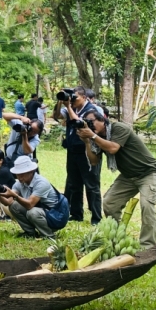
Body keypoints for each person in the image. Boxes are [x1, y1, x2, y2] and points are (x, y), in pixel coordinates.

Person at [78, 110, 156, 247]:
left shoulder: (118, 128)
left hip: (149, 172)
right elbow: (94, 161)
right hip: (128, 176)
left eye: (91, 121)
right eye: (87, 123)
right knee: (109, 203)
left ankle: (148, 245)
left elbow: (113, 148)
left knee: (147, 205)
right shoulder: (97, 137)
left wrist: (92, 136)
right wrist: (87, 142)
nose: (90, 125)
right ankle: (118, 238)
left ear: (103, 119)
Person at [53, 86, 101, 225]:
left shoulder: (92, 110)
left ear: (84, 97)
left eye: (76, 98)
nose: (72, 100)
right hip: (72, 150)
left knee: (91, 185)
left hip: (87, 151)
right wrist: (61, 100)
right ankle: (76, 213)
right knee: (74, 184)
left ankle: (96, 218)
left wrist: (68, 107)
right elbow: (56, 116)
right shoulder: (71, 108)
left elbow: (80, 123)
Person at [0, 156, 69, 239]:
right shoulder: (19, 184)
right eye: (17, 174)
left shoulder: (41, 183)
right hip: (43, 213)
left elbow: (29, 205)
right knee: (14, 206)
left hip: (56, 217)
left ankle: (48, 235)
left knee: (32, 212)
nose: (19, 177)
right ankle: (30, 233)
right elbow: (8, 202)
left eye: (22, 174)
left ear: (31, 171)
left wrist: (15, 196)